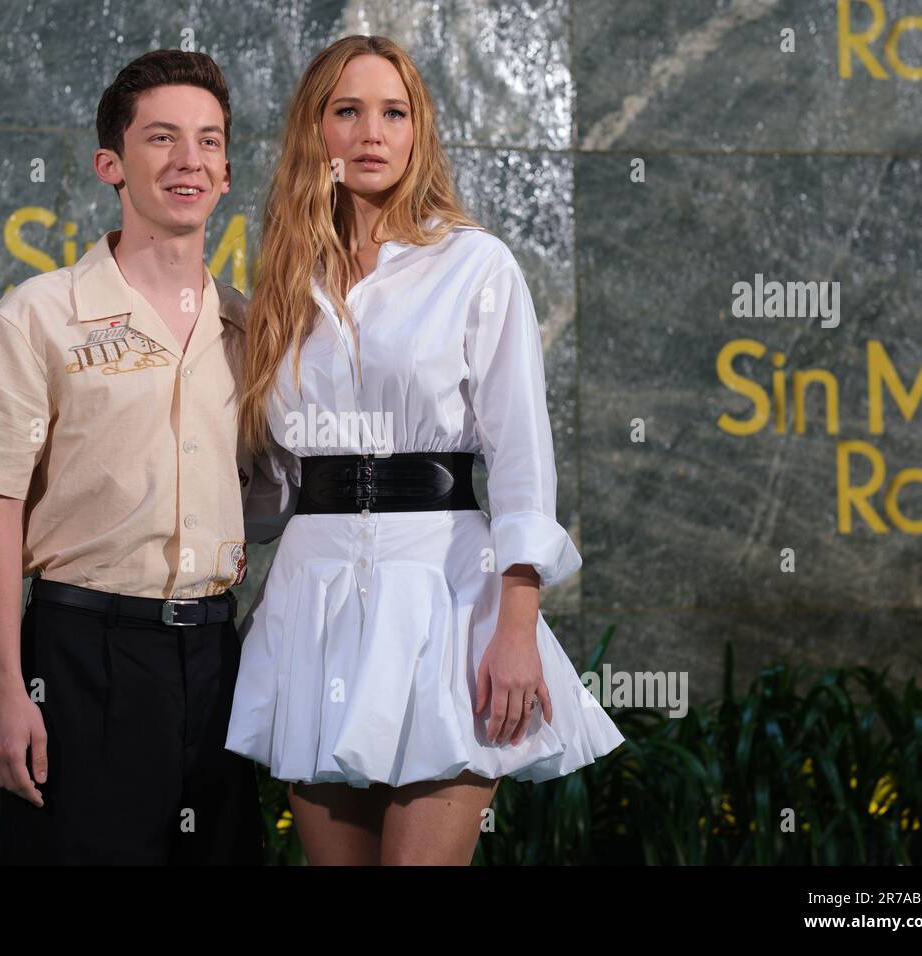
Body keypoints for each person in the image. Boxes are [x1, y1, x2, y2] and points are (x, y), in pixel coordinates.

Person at [226, 35, 626, 866]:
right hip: (313, 599)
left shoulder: (475, 264)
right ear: (315, 132)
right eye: (347, 111)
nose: (372, 132)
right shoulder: (280, 282)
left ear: (417, 133)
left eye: (394, 112)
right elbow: (269, 490)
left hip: (448, 600)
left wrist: (516, 628)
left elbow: (521, 461)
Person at [0, 50, 269, 865]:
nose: (188, 160)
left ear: (227, 173)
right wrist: (6, 690)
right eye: (162, 138)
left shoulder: (252, 328)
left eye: (209, 141)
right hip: (83, 656)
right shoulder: (40, 316)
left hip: (220, 660)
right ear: (111, 165)